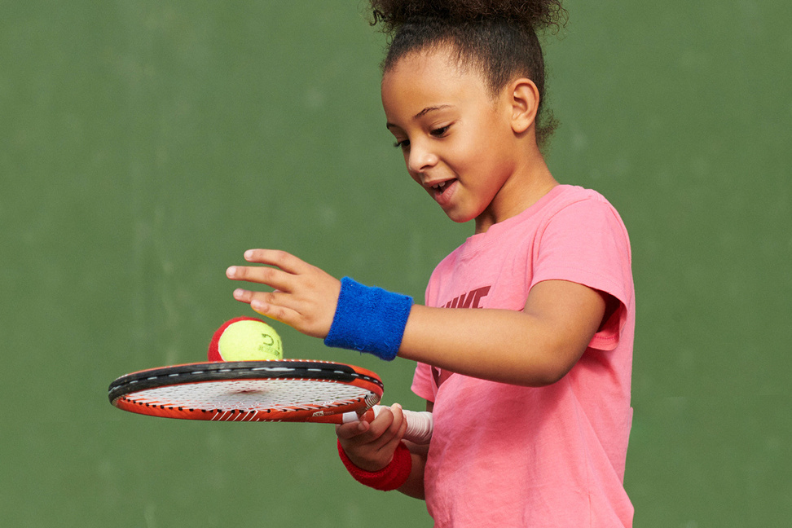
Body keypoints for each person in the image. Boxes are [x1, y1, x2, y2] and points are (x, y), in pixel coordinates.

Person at [225, 0, 635, 525]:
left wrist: (357, 313)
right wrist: (382, 460)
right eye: (402, 141)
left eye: (438, 129)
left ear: (519, 105)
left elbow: (546, 345)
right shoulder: (447, 277)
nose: (417, 158)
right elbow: (458, 457)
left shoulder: (579, 219)